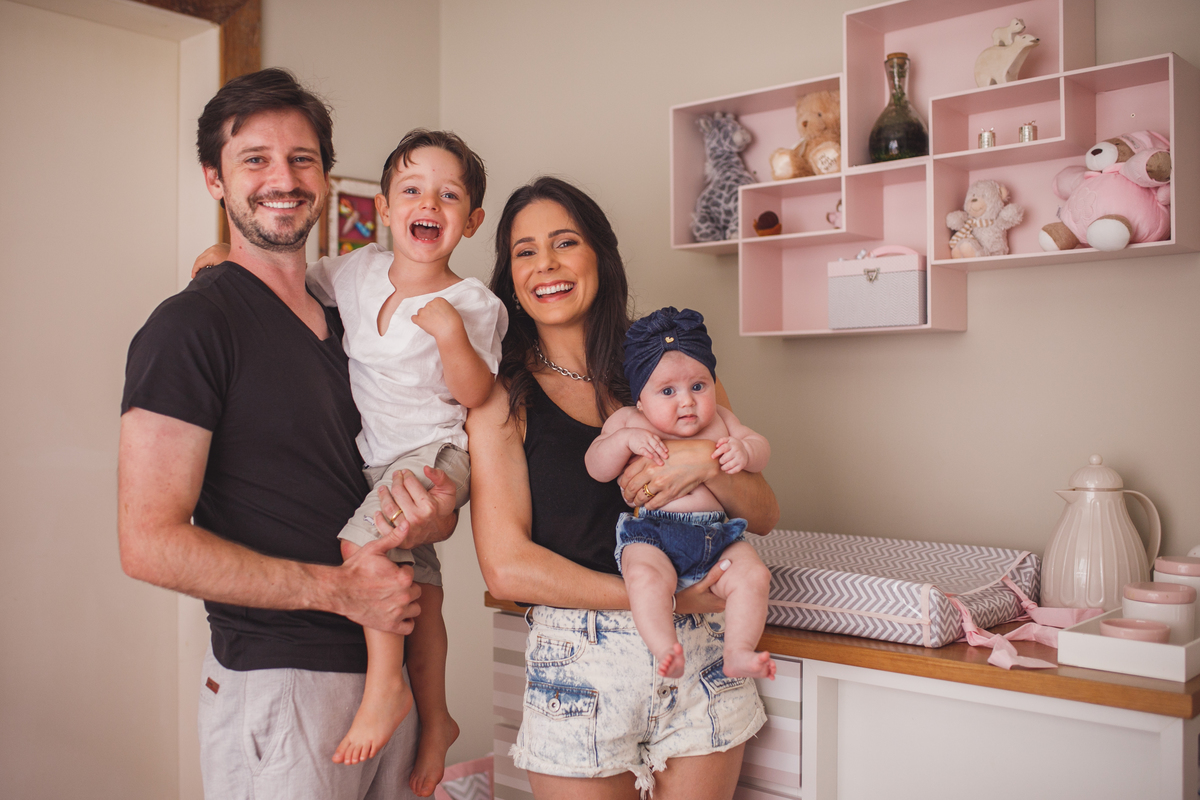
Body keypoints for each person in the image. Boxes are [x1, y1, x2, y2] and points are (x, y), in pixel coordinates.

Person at [118, 68, 458, 800]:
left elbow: (395, 468)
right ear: (215, 179)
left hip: (390, 669)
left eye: (302, 159)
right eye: (255, 160)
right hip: (281, 684)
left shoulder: (355, 320)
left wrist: (440, 507)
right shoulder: (189, 328)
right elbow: (148, 542)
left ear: (327, 178)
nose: (283, 178)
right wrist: (341, 592)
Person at [194, 128, 505, 794]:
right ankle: (439, 718)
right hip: (378, 462)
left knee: (357, 545)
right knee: (421, 592)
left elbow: (479, 394)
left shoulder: (473, 303)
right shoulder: (358, 271)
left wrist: (451, 335)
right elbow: (285, 282)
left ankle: (386, 687)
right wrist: (222, 258)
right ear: (386, 209)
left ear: (472, 220)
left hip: (435, 452)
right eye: (413, 189)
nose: (431, 202)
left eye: (450, 195)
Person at [467, 177, 780, 800]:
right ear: (511, 276)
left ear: (600, 258)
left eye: (564, 243)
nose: (546, 265)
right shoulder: (502, 398)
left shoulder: (675, 370)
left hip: (704, 660)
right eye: (525, 251)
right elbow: (506, 568)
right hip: (580, 661)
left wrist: (704, 462)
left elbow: (765, 511)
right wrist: (666, 602)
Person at [585, 306, 775, 682]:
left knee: (753, 575)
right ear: (640, 398)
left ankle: (737, 652)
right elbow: (596, 465)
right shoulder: (628, 420)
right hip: (654, 535)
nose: (686, 401)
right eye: (668, 391)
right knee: (643, 578)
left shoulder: (721, 419)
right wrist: (623, 441)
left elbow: (760, 445)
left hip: (717, 538)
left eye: (698, 387)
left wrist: (746, 451)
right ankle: (664, 647)